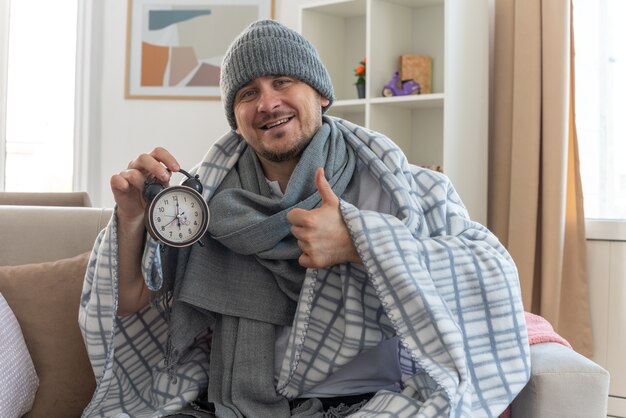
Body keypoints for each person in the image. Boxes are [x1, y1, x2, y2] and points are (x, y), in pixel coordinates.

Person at [79, 19, 530, 418]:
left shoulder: (404, 190)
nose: (267, 103)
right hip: (227, 401)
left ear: (322, 93)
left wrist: (361, 243)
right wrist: (133, 217)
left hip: (360, 401)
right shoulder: (204, 204)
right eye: (247, 93)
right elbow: (133, 303)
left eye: (283, 81)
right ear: (235, 119)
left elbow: (492, 275)